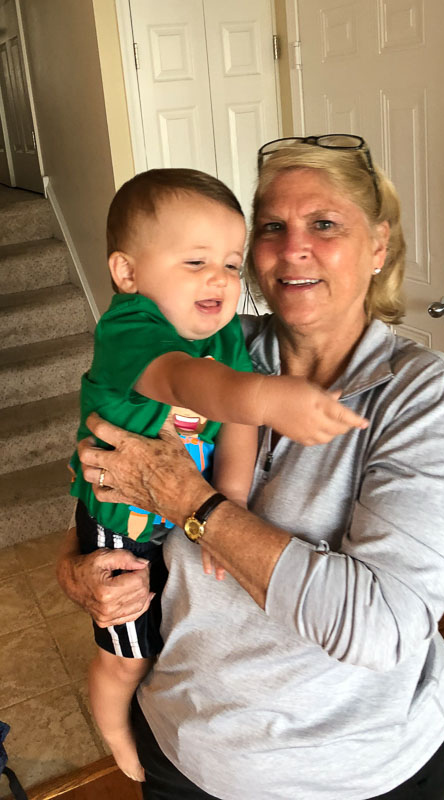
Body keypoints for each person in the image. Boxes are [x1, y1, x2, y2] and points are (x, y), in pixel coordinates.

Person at [58, 136, 444, 800]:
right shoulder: (209, 343)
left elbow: (378, 628)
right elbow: (105, 469)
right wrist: (76, 568)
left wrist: (199, 508)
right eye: (272, 227)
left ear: (377, 247)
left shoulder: (428, 399)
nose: (293, 248)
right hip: (183, 749)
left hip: (352, 773)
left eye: (324, 224)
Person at [69, 167, 367, 782]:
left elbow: (235, 424)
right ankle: (116, 732)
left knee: (155, 637)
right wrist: (269, 396)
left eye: (231, 264)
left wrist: (226, 504)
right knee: (128, 657)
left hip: (172, 513)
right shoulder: (130, 327)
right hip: (120, 521)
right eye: (195, 261)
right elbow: (187, 382)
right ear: (127, 273)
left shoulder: (228, 333)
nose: (221, 279)